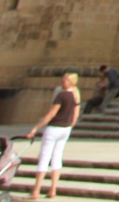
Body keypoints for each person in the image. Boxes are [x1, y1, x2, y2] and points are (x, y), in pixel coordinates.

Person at [26, 71, 80, 200]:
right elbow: (75, 115)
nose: (62, 82)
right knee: (57, 158)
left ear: (70, 82)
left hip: (54, 128)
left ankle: (36, 191)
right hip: (65, 129)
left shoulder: (62, 95)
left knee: (44, 158)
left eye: (65, 80)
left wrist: (36, 127)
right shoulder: (76, 96)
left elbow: (51, 114)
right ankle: (52, 190)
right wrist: (69, 126)